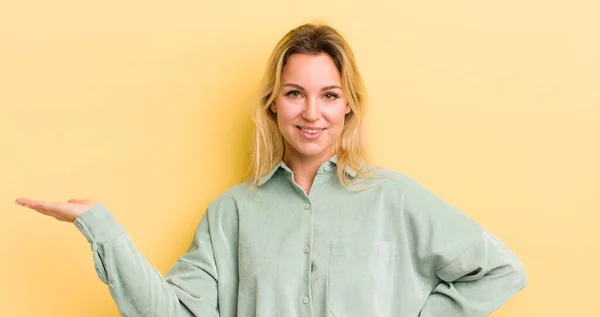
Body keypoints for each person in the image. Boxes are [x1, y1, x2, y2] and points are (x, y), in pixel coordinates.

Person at [15, 22, 527, 317]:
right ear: (273, 104)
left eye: (328, 95)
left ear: (348, 105)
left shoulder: (393, 198)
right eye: (295, 94)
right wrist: (100, 226)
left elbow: (502, 270)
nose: (311, 112)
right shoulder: (231, 213)